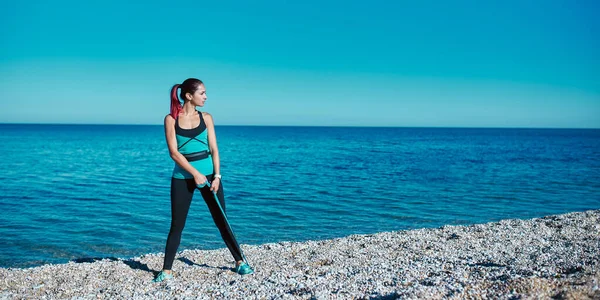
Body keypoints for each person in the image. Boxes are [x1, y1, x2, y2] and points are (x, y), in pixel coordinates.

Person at [153, 78, 254, 283]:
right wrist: (195, 173)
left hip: (210, 177)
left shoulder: (206, 117)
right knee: (177, 225)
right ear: (189, 96)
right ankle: (166, 270)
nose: (206, 97)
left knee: (221, 219)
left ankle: (240, 262)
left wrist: (216, 176)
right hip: (182, 177)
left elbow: (215, 149)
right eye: (202, 93)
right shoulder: (171, 119)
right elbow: (174, 153)